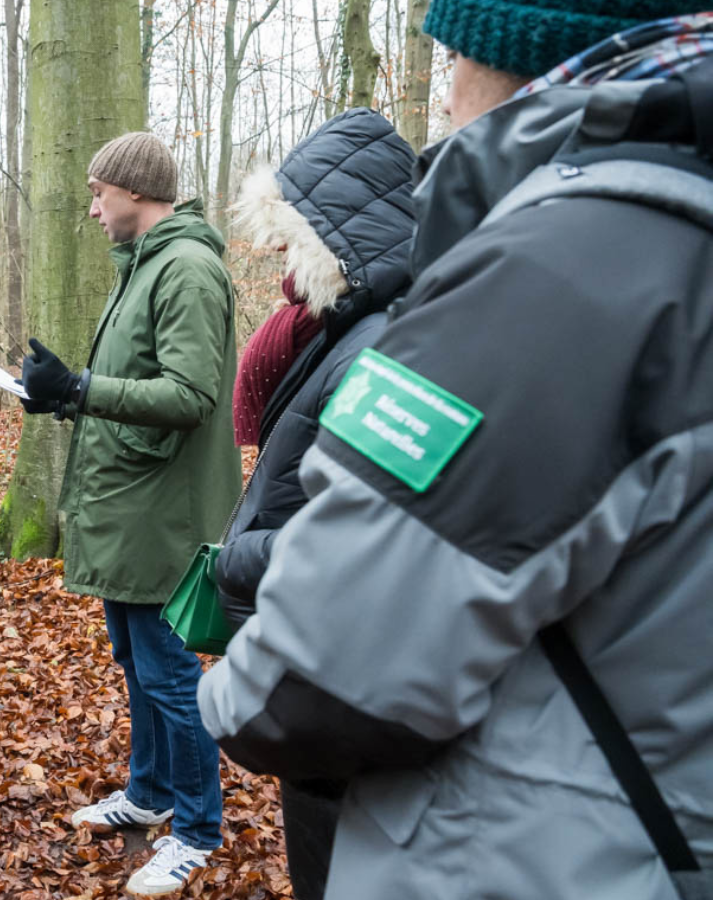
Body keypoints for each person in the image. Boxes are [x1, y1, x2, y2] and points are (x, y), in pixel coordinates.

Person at [198, 6, 713, 899]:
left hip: (542, 856)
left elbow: (319, 670)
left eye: (451, 59)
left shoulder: (555, 270)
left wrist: (231, 679)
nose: (441, 97)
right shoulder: (678, 233)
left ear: (521, 52)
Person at [18, 131, 238, 896]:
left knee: (173, 680)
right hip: (126, 510)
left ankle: (198, 831)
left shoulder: (186, 269)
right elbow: (132, 390)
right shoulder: (142, 266)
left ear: (135, 192)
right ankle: (148, 794)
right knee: (138, 668)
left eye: (98, 193)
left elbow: (190, 395)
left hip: (163, 520)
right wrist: (62, 394)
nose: (91, 208)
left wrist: (81, 390)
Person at [215, 108, 416, 900]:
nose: (274, 259)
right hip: (320, 672)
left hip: (343, 678)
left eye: (287, 236)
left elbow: (364, 538)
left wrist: (238, 558)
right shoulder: (341, 329)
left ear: (337, 240)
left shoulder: (381, 346)